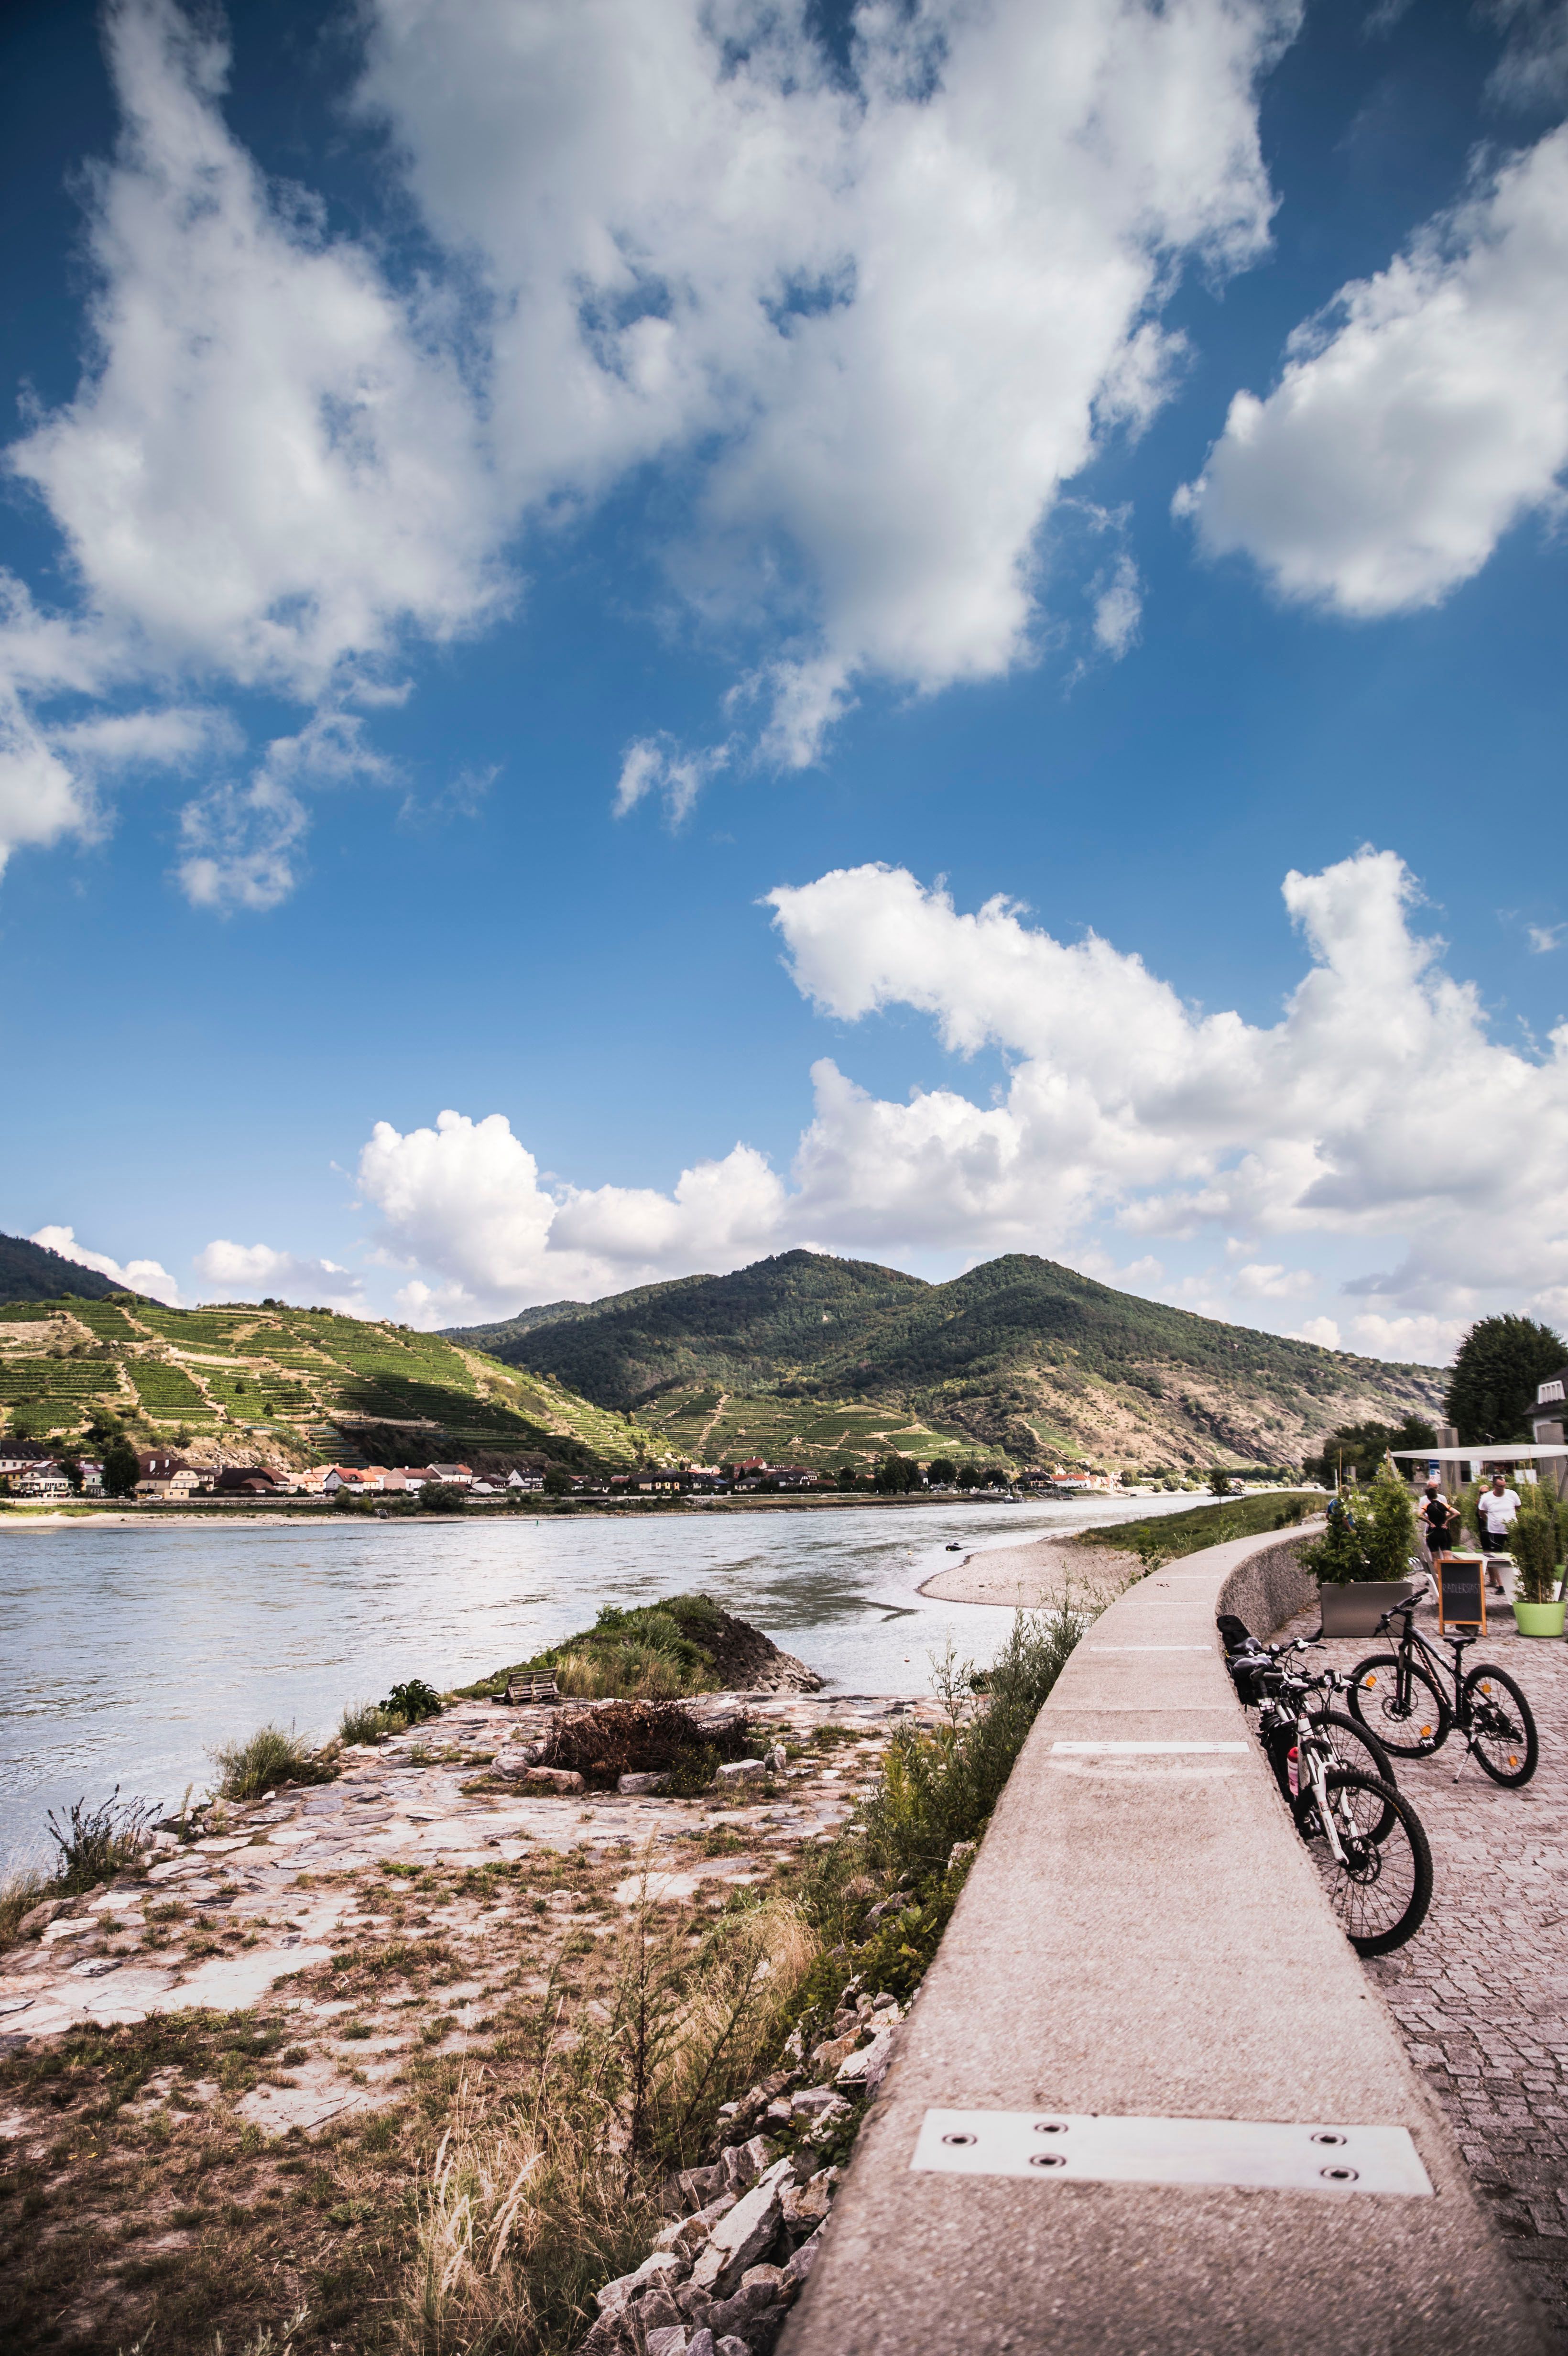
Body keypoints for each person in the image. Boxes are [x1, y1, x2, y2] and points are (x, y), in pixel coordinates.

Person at [1478, 1472, 1521, 1592]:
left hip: (1512, 1529)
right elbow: (1482, 1512)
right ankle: (1501, 1585)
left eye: (1504, 1486)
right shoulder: (1486, 1498)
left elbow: (1519, 1508)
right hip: (1495, 1531)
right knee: (1497, 1557)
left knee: (1516, 1555)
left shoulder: (1512, 1495)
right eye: (1500, 1486)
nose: (1503, 1488)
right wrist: (1490, 1522)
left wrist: (1515, 1521)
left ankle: (1519, 1581)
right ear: (1494, 1486)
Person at [1418, 1477, 1456, 1569]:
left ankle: (1439, 1577)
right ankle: (1443, 1577)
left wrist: (1431, 1519)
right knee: (1444, 1554)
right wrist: (1446, 1520)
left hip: (1435, 1528)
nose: (1435, 1490)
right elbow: (1455, 1512)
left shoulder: (1441, 1499)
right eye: (1433, 1488)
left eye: (1437, 1488)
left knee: (1438, 1556)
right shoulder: (1424, 1501)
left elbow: (1419, 1515)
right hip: (1438, 1528)